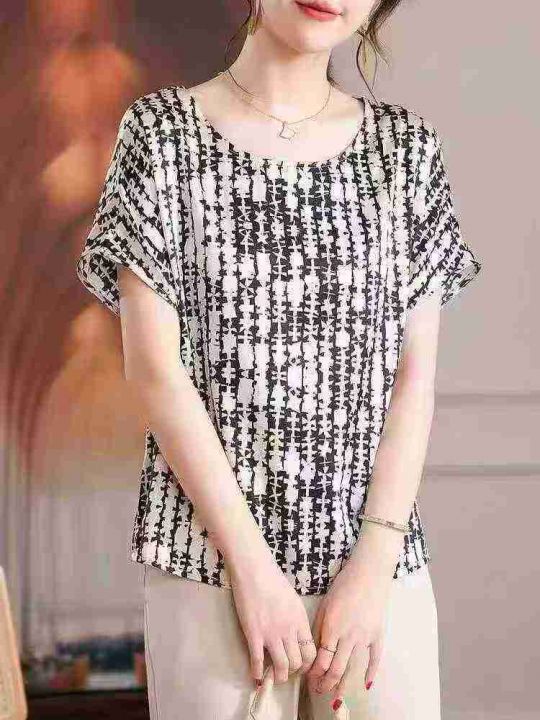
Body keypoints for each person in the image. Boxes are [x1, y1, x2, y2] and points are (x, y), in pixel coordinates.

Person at [76, 1, 483, 718]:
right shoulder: (161, 135)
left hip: (376, 568)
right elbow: (155, 372)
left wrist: (373, 569)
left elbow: (413, 381)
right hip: (208, 563)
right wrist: (253, 570)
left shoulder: (407, 152)